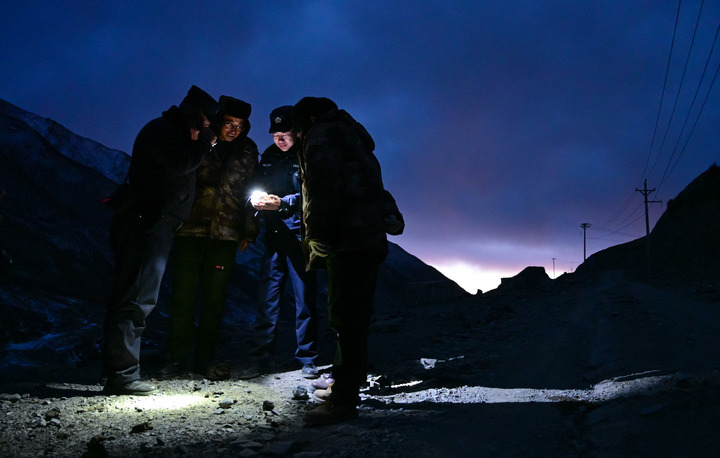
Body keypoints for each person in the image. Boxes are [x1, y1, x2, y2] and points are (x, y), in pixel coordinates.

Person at [291, 97, 404, 425]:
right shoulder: (354, 138)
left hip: (345, 240)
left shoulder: (322, 134)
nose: (296, 136)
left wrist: (318, 234)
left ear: (307, 120)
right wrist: (388, 214)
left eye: (297, 129)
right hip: (367, 239)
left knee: (345, 318)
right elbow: (371, 186)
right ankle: (346, 384)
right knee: (355, 318)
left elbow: (321, 185)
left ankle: (342, 401)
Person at [102, 86, 219, 395]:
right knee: (136, 297)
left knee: (140, 296)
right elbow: (181, 164)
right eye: (207, 123)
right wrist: (205, 143)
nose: (208, 129)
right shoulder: (163, 132)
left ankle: (123, 372)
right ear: (196, 115)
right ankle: (122, 375)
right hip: (147, 223)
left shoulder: (171, 132)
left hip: (156, 224)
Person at [160, 96, 259, 380]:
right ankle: (177, 358)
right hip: (190, 229)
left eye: (240, 125)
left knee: (214, 300)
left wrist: (248, 231)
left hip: (225, 235)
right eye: (229, 123)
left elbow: (251, 191)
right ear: (218, 121)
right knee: (183, 296)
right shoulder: (200, 140)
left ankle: (204, 359)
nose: (234, 129)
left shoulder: (248, 150)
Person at [245, 106, 319, 379]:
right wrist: (254, 201)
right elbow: (252, 187)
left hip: (300, 239)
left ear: (297, 133)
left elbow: (314, 193)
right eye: (276, 134)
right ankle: (260, 358)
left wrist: (284, 204)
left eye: (284, 134)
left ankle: (308, 359)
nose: (280, 139)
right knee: (267, 301)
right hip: (274, 238)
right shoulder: (269, 156)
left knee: (305, 301)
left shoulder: (308, 155)